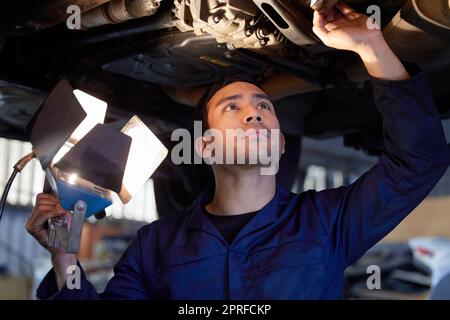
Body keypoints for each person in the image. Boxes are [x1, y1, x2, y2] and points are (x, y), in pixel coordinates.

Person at [27, 3, 450, 299]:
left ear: (281, 143)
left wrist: (371, 44)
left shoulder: (328, 222)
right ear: (207, 146)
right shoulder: (155, 245)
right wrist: (64, 258)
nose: (255, 114)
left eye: (264, 106)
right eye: (234, 107)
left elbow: (418, 160)